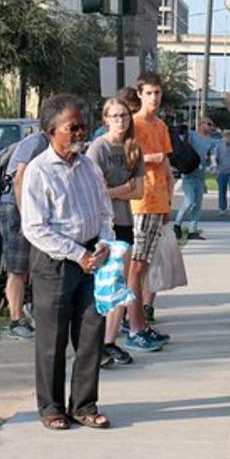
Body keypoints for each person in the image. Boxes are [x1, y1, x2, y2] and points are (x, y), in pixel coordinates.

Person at [20, 94, 114, 431]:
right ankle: (51, 407)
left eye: (82, 127)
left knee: (91, 333)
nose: (79, 133)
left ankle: (84, 405)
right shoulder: (38, 171)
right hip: (55, 262)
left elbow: (104, 212)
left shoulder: (89, 166)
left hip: (93, 260)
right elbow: (33, 227)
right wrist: (79, 255)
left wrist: (103, 243)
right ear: (51, 131)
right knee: (52, 338)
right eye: (71, 127)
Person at [87, 96, 161, 366]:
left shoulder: (133, 149)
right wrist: (123, 189)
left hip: (125, 222)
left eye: (124, 116)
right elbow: (94, 192)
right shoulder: (97, 149)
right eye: (115, 116)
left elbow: (140, 190)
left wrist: (115, 191)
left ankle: (110, 341)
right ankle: (93, 343)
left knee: (121, 283)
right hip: (101, 225)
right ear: (105, 119)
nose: (121, 120)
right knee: (100, 284)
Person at [128, 72, 177, 334]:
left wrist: (169, 200)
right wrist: (150, 158)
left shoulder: (160, 126)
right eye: (149, 93)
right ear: (140, 94)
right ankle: (132, 319)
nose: (154, 98)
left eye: (157, 93)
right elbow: (128, 159)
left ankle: (142, 315)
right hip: (140, 201)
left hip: (158, 202)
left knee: (146, 263)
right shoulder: (133, 124)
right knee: (136, 264)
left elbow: (167, 165)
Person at [0, 120, 50, 340]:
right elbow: (20, 178)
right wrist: (25, 216)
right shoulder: (36, 142)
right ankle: (16, 320)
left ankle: (29, 307)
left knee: (32, 262)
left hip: (32, 207)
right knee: (17, 267)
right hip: (16, 207)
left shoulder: (47, 143)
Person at [174, 116, 219, 239]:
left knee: (197, 204)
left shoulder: (211, 141)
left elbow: (212, 156)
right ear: (201, 124)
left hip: (200, 175)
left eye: (212, 126)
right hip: (189, 173)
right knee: (189, 201)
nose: (211, 127)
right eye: (209, 124)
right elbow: (182, 144)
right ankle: (177, 225)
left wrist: (214, 166)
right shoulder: (192, 135)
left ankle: (192, 231)